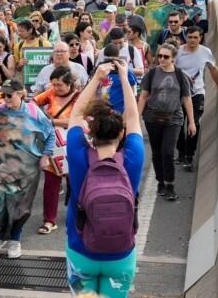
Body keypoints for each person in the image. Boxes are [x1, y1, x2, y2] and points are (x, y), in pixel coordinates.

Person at [65, 60, 144, 298]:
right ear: (121, 133)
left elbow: (77, 112)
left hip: (81, 250)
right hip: (121, 254)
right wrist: (124, 76)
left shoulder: (79, 155)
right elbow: (133, 117)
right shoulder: (133, 157)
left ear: (91, 131)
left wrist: (97, 77)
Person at [0, 79, 54, 259]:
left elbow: (50, 133)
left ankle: (15, 239)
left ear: (21, 93)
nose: (5, 99)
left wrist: (46, 155)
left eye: (9, 95)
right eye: (3, 95)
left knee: (20, 205)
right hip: (2, 165)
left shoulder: (32, 111)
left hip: (27, 166)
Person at [138, 43, 195, 201]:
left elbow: (187, 98)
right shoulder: (151, 74)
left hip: (174, 118)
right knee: (156, 152)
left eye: (166, 57)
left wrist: (191, 122)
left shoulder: (180, 75)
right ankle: (160, 182)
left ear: (174, 59)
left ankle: (170, 184)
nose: (162, 59)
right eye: (160, 56)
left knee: (168, 152)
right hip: (152, 118)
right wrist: (136, 117)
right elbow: (143, 96)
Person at [176, 27, 218, 170]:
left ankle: (189, 156)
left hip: (197, 93)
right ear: (186, 37)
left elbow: (213, 69)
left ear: (200, 38)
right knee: (177, 124)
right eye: (190, 37)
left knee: (193, 123)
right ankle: (181, 152)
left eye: (196, 37)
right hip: (179, 94)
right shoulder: (178, 52)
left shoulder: (205, 52)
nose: (192, 40)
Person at [34, 66, 79, 236]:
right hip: (53, 144)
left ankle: (76, 215)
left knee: (74, 182)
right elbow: (33, 103)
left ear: (69, 84)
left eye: (59, 85)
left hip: (73, 144)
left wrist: (52, 122)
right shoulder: (51, 93)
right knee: (51, 184)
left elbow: (76, 120)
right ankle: (49, 220)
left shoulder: (79, 97)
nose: (56, 88)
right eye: (53, 84)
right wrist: (42, 117)